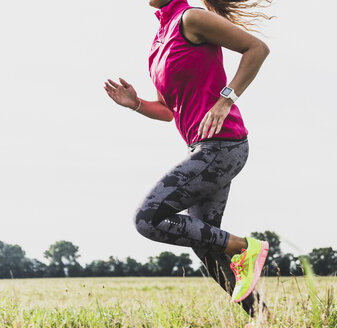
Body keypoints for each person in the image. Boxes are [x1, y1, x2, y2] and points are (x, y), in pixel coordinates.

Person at [103, 0, 273, 322]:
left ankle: (244, 247)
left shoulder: (192, 18)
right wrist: (136, 103)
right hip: (203, 148)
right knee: (207, 249)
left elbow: (257, 49)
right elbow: (168, 111)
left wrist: (226, 100)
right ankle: (263, 317)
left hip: (223, 145)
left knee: (147, 218)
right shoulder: (160, 40)